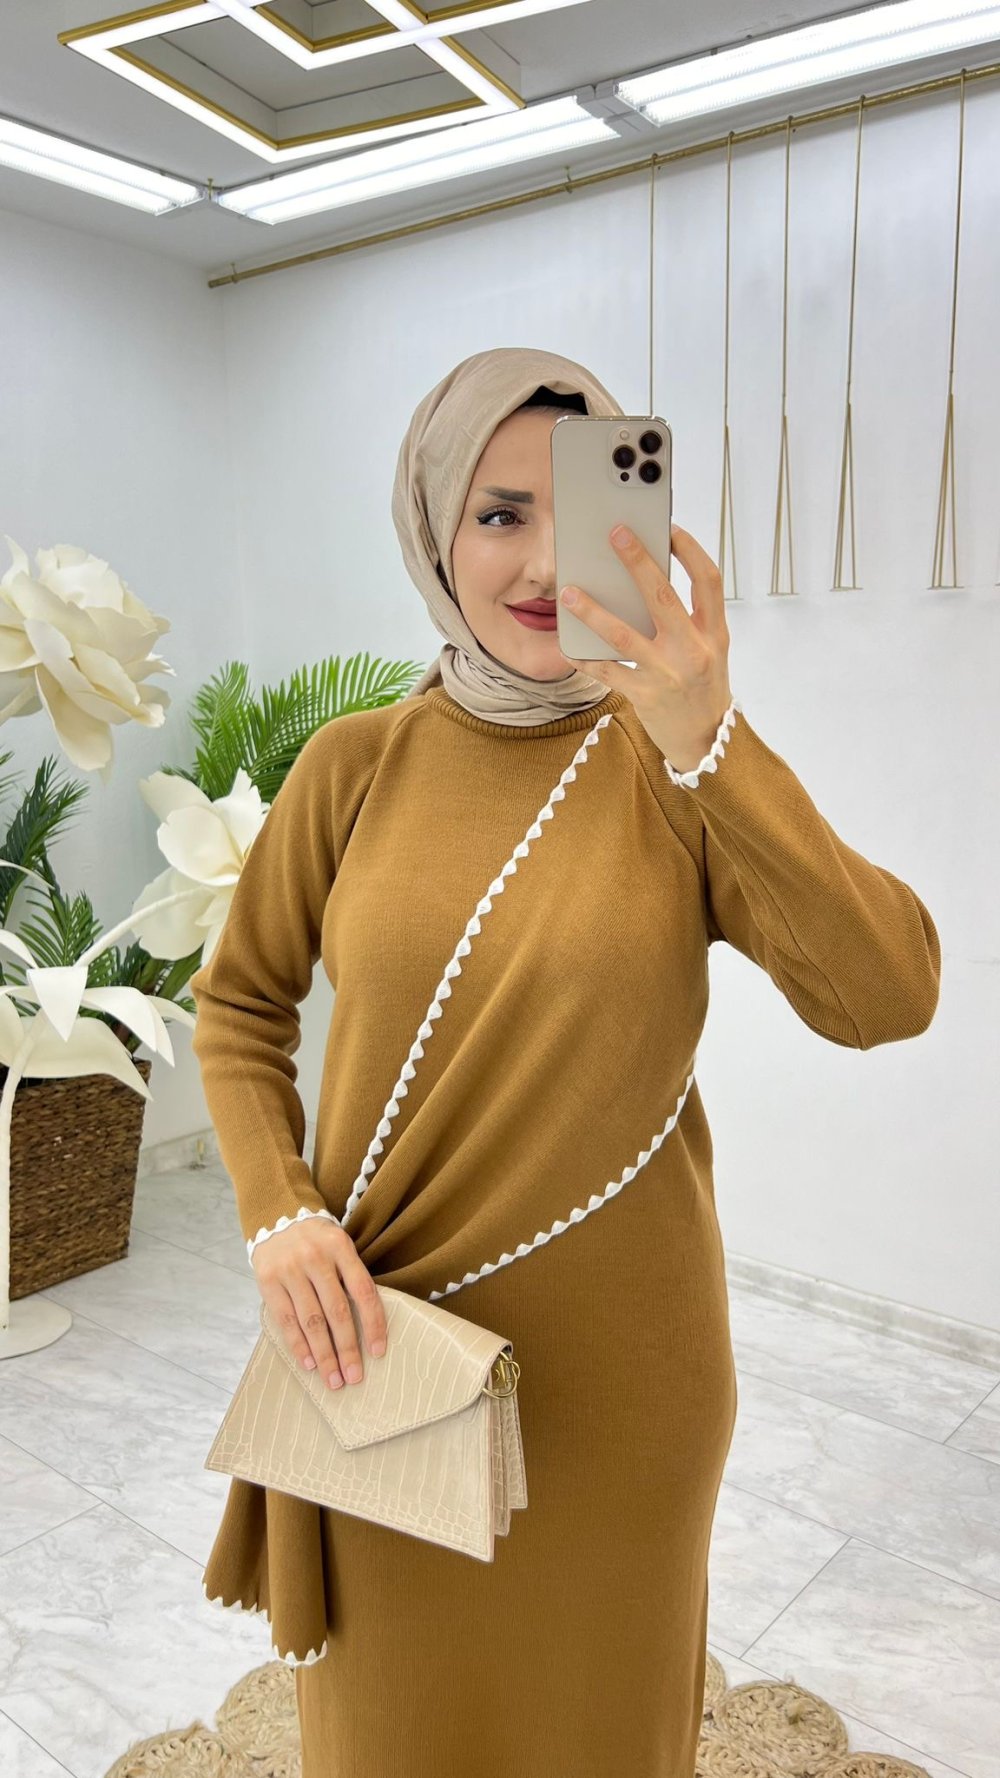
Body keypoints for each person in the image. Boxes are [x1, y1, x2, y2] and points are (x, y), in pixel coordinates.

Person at [189, 346, 941, 1778]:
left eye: (577, 509)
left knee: (601, 1730)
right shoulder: (353, 766)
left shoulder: (678, 769)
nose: (542, 562)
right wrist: (276, 1207)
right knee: (393, 1732)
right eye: (498, 514)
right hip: (386, 1361)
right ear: (433, 531)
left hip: (624, 1386)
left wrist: (709, 736)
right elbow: (238, 1010)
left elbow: (887, 995)